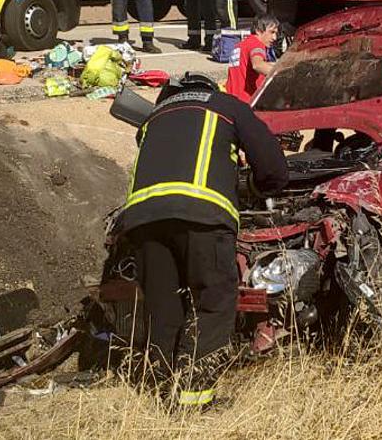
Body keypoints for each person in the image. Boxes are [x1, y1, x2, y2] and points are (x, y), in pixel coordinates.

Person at [118, 72, 287, 409]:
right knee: (213, 302)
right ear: (211, 89)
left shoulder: (154, 117)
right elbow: (273, 167)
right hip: (203, 218)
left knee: (164, 307)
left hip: (142, 220)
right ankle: (195, 400)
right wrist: (258, 188)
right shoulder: (227, 107)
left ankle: (167, 391)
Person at [225, 13, 280, 103]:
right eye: (272, 32)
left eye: (276, 33)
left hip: (232, 102)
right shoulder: (257, 45)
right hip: (247, 104)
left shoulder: (241, 45)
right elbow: (258, 65)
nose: (275, 38)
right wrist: (284, 75)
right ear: (258, 31)